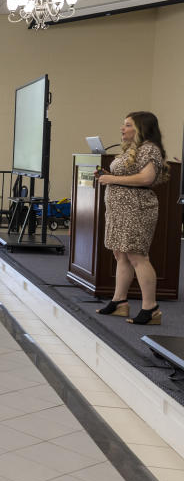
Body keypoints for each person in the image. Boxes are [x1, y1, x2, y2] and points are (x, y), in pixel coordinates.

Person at [96, 111, 168, 325]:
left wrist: (111, 178)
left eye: (127, 125)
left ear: (141, 128)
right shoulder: (132, 150)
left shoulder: (150, 149)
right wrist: (107, 175)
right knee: (121, 255)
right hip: (120, 210)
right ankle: (119, 302)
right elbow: (126, 176)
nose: (122, 128)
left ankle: (151, 308)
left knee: (138, 257)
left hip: (136, 209)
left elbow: (146, 178)